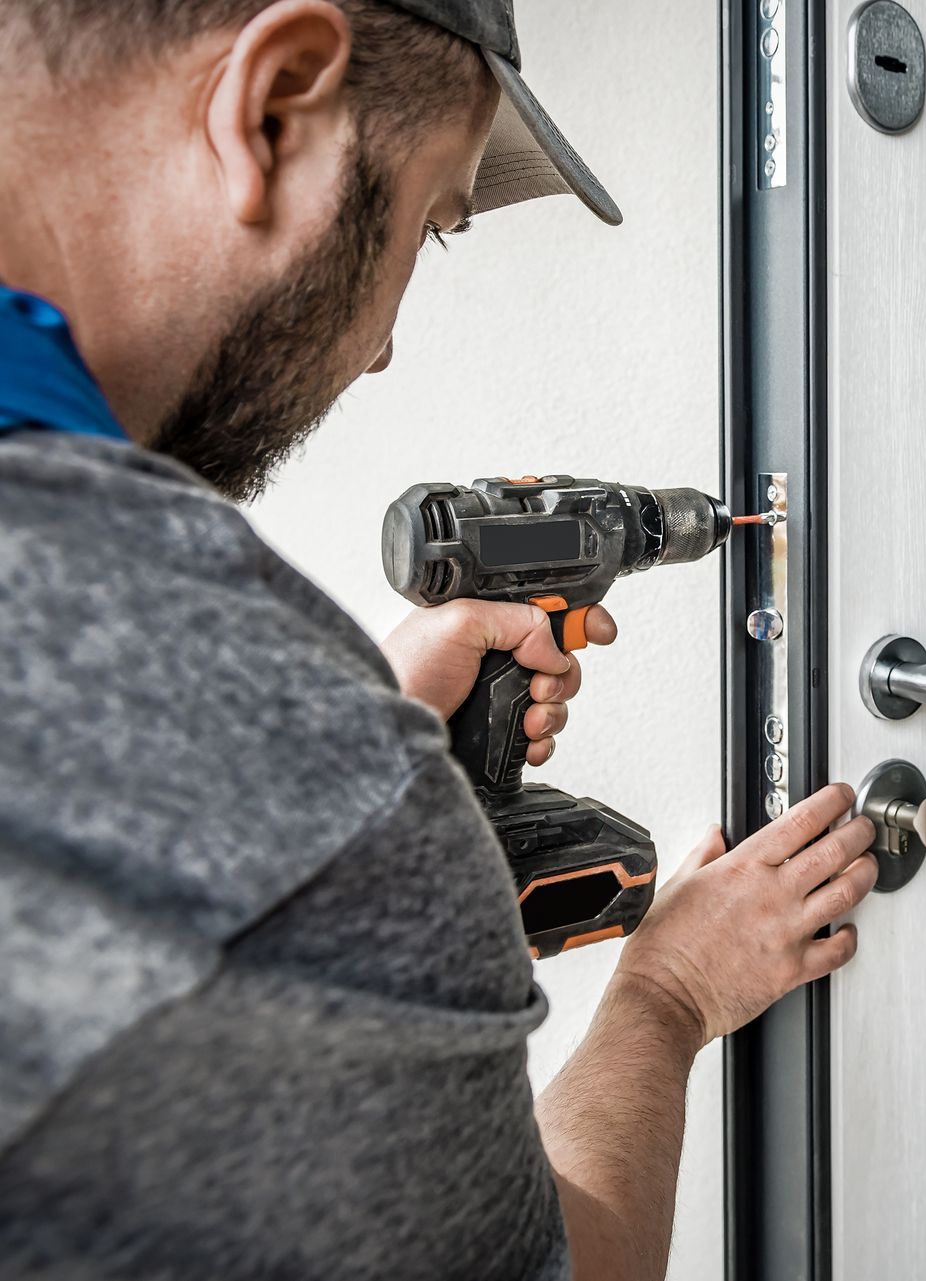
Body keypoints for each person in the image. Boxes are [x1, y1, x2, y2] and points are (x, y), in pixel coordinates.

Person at [0, 2, 880, 1278]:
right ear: (273, 108)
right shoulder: (287, 776)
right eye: (430, 227)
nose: (384, 352)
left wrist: (339, 769)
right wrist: (669, 993)